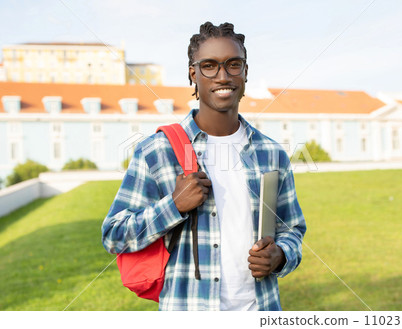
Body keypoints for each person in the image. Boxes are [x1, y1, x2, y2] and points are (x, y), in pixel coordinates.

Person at [102, 22, 306, 311]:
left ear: (245, 71)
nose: (223, 76)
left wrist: (281, 255)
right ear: (193, 74)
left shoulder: (272, 154)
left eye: (234, 65)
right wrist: (172, 206)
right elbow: (114, 235)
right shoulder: (156, 151)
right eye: (209, 66)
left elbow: (292, 229)